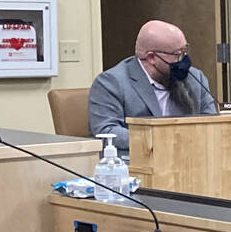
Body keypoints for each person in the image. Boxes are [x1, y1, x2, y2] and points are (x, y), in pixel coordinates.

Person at [88, 19, 217, 154]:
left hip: (189, 159)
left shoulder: (195, 78)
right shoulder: (111, 82)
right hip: (139, 161)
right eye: (177, 54)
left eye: (185, 51)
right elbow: (106, 131)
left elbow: (211, 125)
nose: (184, 59)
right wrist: (160, 140)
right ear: (151, 58)